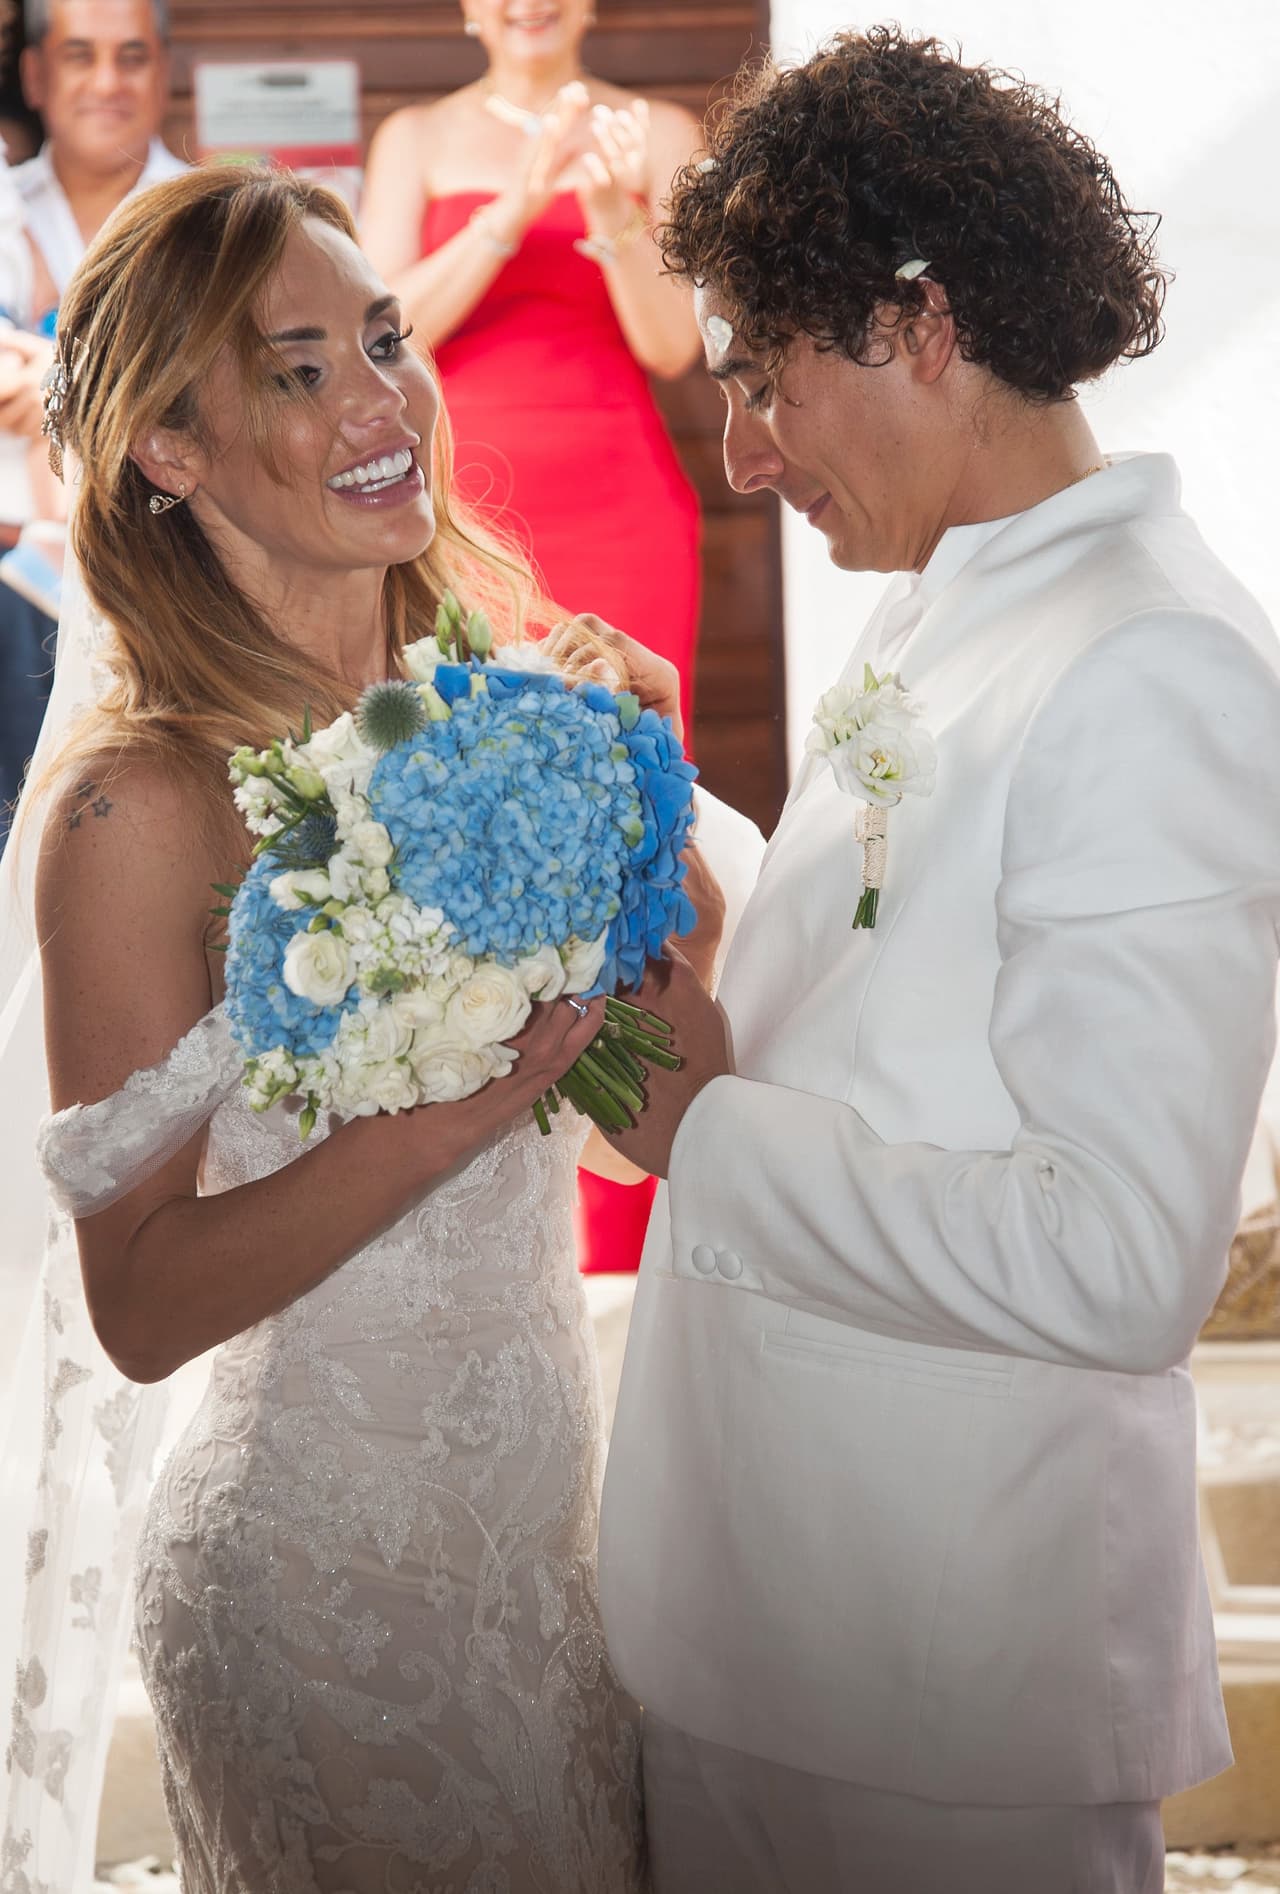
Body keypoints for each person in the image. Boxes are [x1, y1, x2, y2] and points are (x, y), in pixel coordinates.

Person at [0, 161, 748, 1890]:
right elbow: (140, 1304)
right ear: (168, 447)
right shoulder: (138, 808)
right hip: (317, 1588)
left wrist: (658, 841)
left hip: (547, 1551)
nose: (381, 401)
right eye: (300, 367)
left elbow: (654, 1129)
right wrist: (442, 1119)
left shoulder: (496, 720)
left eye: (386, 340)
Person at [594, 29, 1280, 1894]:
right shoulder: (953, 595)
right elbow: (898, 983)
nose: (742, 453)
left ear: (917, 323)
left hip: (946, 1666)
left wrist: (705, 1131)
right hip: (778, 1597)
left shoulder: (1149, 659)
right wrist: (682, 847)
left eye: (764, 378)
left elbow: (1119, 1255)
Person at [360, 0, 704, 1278]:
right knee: (474, 827)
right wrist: (511, 211)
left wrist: (608, 208)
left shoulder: (657, 130)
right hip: (465, 515)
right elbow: (384, 332)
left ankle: (630, 1207)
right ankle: (484, 1193)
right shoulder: (414, 137)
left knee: (626, 828)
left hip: (618, 499)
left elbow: (672, 341)